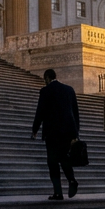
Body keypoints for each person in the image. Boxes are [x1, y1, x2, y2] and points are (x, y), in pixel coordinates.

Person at [31, 69, 80, 200]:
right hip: (68, 132)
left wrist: (34, 129)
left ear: (47, 78)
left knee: (52, 162)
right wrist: (76, 133)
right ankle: (72, 180)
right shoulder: (69, 90)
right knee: (64, 158)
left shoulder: (46, 91)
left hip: (52, 132)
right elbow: (75, 113)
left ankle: (58, 192)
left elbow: (40, 111)